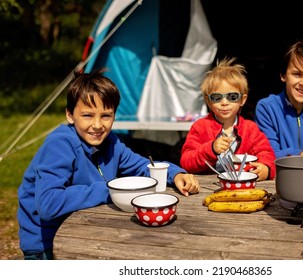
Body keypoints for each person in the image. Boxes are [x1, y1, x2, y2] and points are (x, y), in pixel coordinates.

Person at [17, 70, 200, 260]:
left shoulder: (111, 143)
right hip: (47, 246)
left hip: (87, 232)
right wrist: (112, 190)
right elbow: (48, 204)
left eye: (106, 115)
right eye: (88, 115)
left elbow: (144, 166)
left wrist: (176, 174)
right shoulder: (60, 144)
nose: (97, 125)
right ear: (70, 115)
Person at [180, 57, 276, 181]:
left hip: (243, 187)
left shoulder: (250, 129)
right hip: (207, 186)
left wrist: (266, 168)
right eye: (216, 97)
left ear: (243, 99)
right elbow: (186, 162)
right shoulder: (200, 127)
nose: (224, 102)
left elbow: (267, 154)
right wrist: (211, 149)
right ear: (208, 101)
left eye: (232, 96)